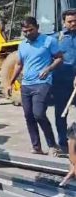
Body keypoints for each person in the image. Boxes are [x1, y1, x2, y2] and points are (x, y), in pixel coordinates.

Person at [9, 17, 63, 157]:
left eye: (30, 30)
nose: (28, 33)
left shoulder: (49, 41)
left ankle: (52, 145)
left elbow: (59, 58)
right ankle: (36, 147)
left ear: (37, 27)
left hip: (43, 83)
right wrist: (11, 81)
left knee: (38, 113)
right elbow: (19, 64)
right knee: (29, 116)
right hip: (26, 85)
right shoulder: (23, 45)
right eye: (25, 31)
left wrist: (49, 68)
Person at [53, 9, 76, 154]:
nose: (74, 23)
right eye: (70, 21)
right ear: (63, 22)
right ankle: (63, 143)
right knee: (61, 114)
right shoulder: (56, 39)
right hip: (61, 83)